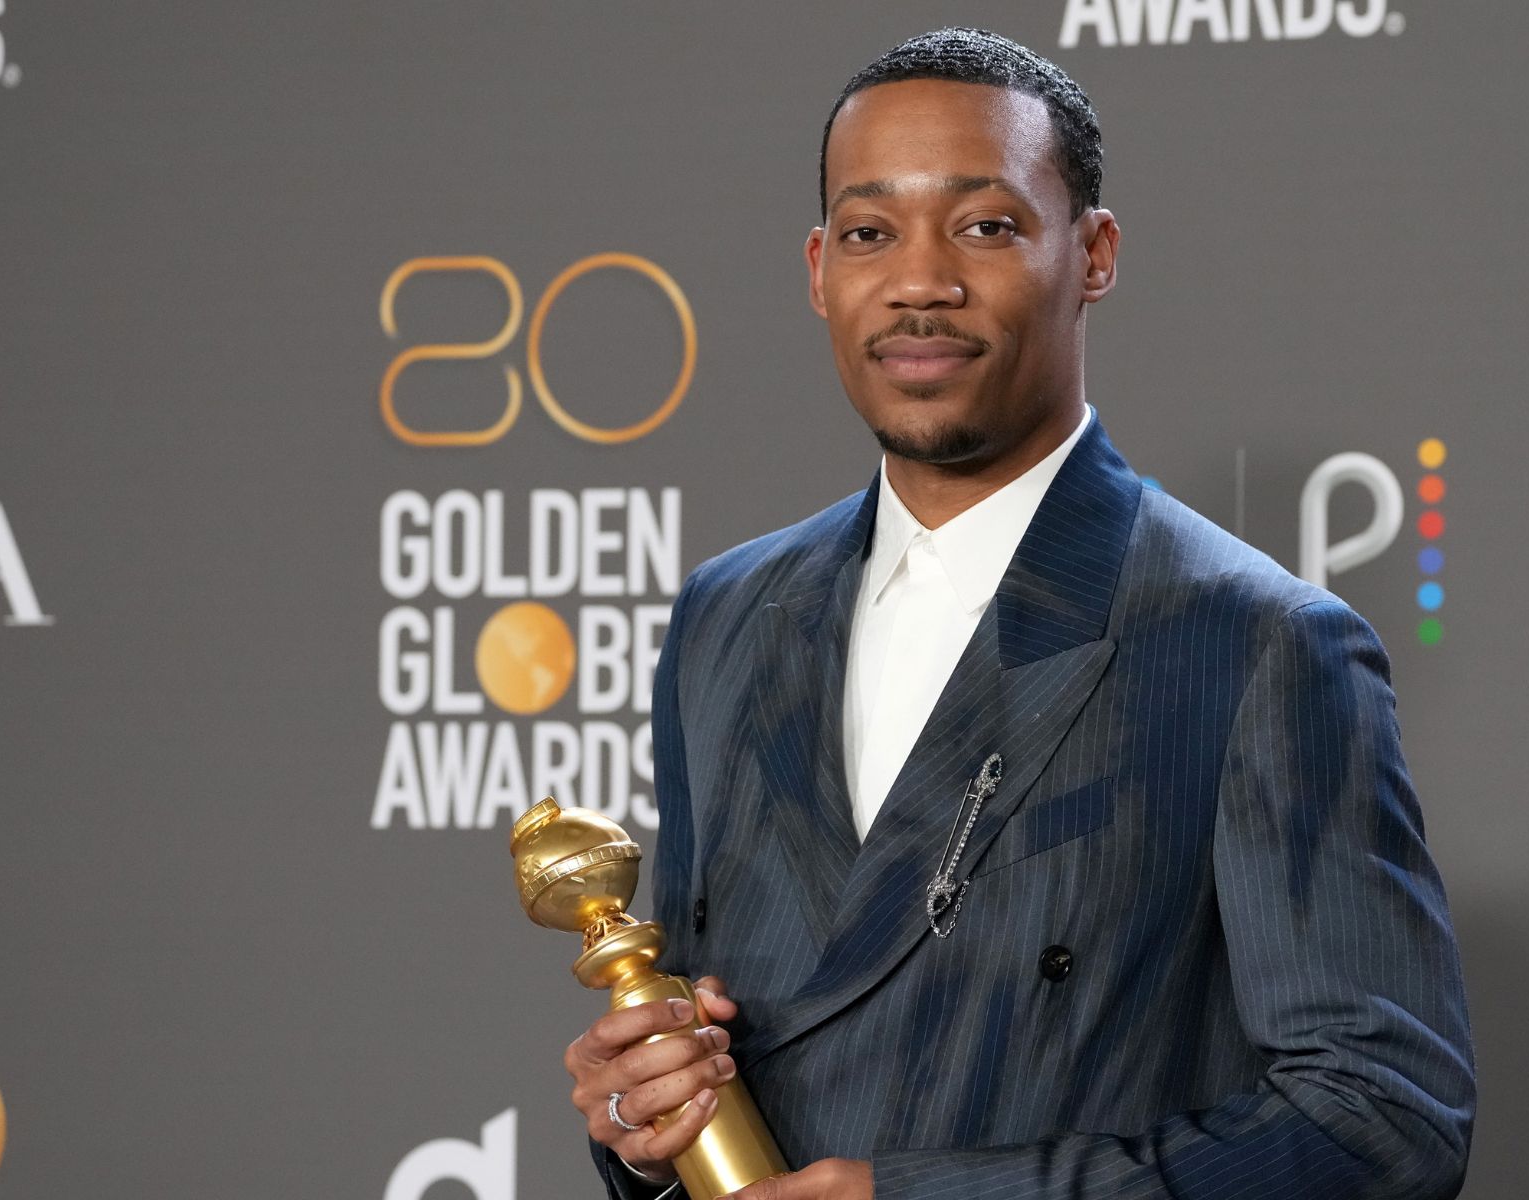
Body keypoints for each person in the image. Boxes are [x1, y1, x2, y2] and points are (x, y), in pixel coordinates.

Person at [562, 26, 1475, 1200]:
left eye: (986, 226)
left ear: (1091, 254)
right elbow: (720, 1064)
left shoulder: (1250, 642)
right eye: (868, 232)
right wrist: (644, 1118)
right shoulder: (728, 615)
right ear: (816, 270)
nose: (919, 281)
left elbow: (1383, 1122)